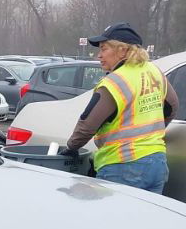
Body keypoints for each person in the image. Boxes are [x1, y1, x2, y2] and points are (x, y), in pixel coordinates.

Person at [65, 23, 178, 193]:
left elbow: (87, 125)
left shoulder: (115, 81)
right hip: (157, 162)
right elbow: (172, 107)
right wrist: (151, 133)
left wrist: (71, 147)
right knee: (146, 218)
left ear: (123, 51)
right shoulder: (154, 71)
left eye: (104, 49)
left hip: (122, 166)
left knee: (115, 219)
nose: (99, 56)